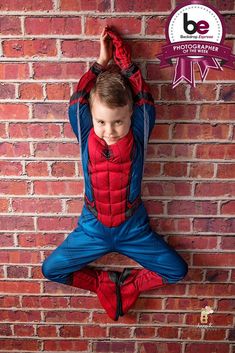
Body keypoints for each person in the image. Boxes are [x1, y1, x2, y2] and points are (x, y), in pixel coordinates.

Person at [42, 27, 188, 321]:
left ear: (130, 116)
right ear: (92, 118)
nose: (109, 131)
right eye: (102, 122)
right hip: (91, 228)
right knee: (52, 269)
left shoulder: (139, 131)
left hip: (133, 228)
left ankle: (129, 285)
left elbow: (145, 100)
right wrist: (99, 63)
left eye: (118, 121)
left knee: (176, 270)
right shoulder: (85, 131)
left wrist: (127, 66)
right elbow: (77, 100)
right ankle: (105, 284)